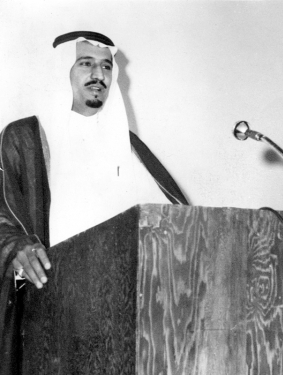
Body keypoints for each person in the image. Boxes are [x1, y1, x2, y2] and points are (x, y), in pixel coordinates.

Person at [0, 31, 188, 375]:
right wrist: (16, 250)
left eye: (105, 66)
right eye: (85, 63)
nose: (98, 74)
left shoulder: (129, 147)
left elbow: (176, 220)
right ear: (60, 72)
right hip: (52, 312)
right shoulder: (22, 139)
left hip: (124, 314)